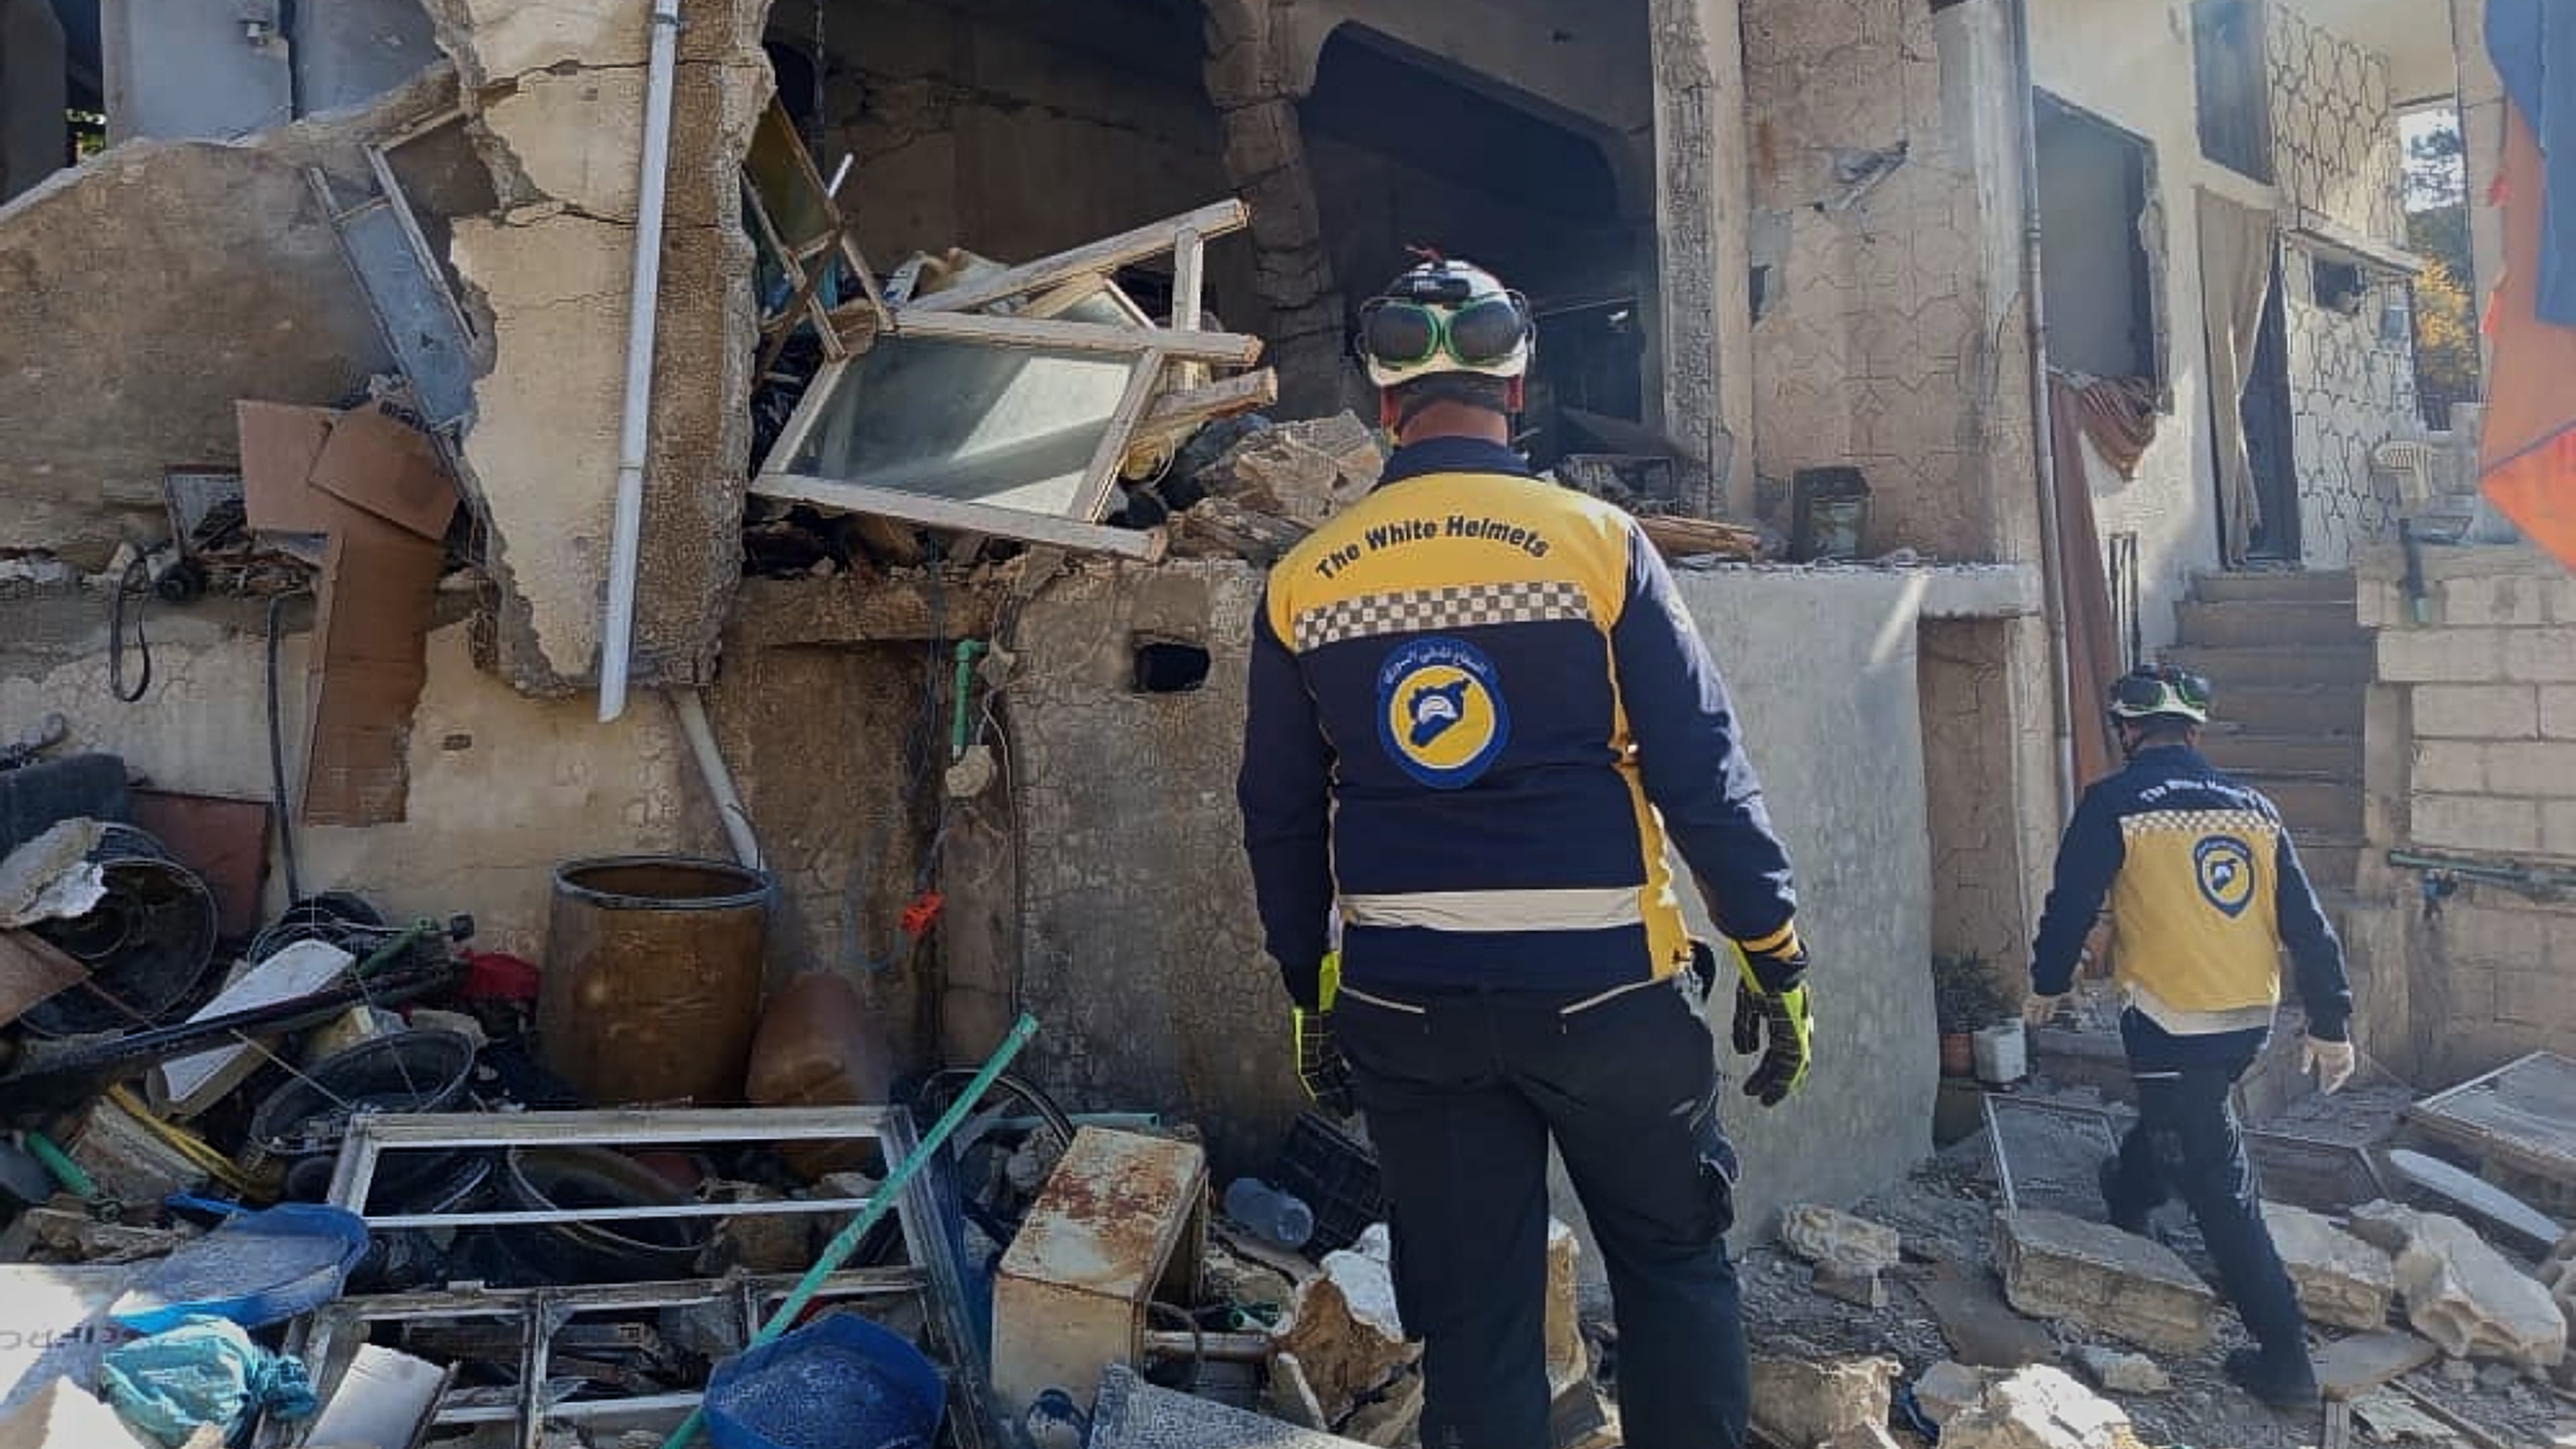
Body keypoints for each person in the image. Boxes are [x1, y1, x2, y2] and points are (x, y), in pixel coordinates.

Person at [1236, 255, 1812, 1449]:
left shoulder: (1306, 582)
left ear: (1381, 393)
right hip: (1607, 994)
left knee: (1480, 1327)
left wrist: (1310, 988)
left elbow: (1282, 813)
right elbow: (1703, 774)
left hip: (1406, 1007)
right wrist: (1773, 952)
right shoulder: (1599, 545)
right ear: (1521, 380)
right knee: (1671, 1268)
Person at [2028, 662, 2358, 1411]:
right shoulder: (2255, 808)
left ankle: (2286, 1359)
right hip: (2249, 1016)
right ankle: (2130, 1188)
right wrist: (2331, 1020)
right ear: (2196, 732)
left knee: (2219, 1183)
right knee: (2182, 1113)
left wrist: (2050, 982)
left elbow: (2072, 902)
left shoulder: (2114, 802)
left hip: (2170, 1020)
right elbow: (2308, 927)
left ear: (2127, 731)